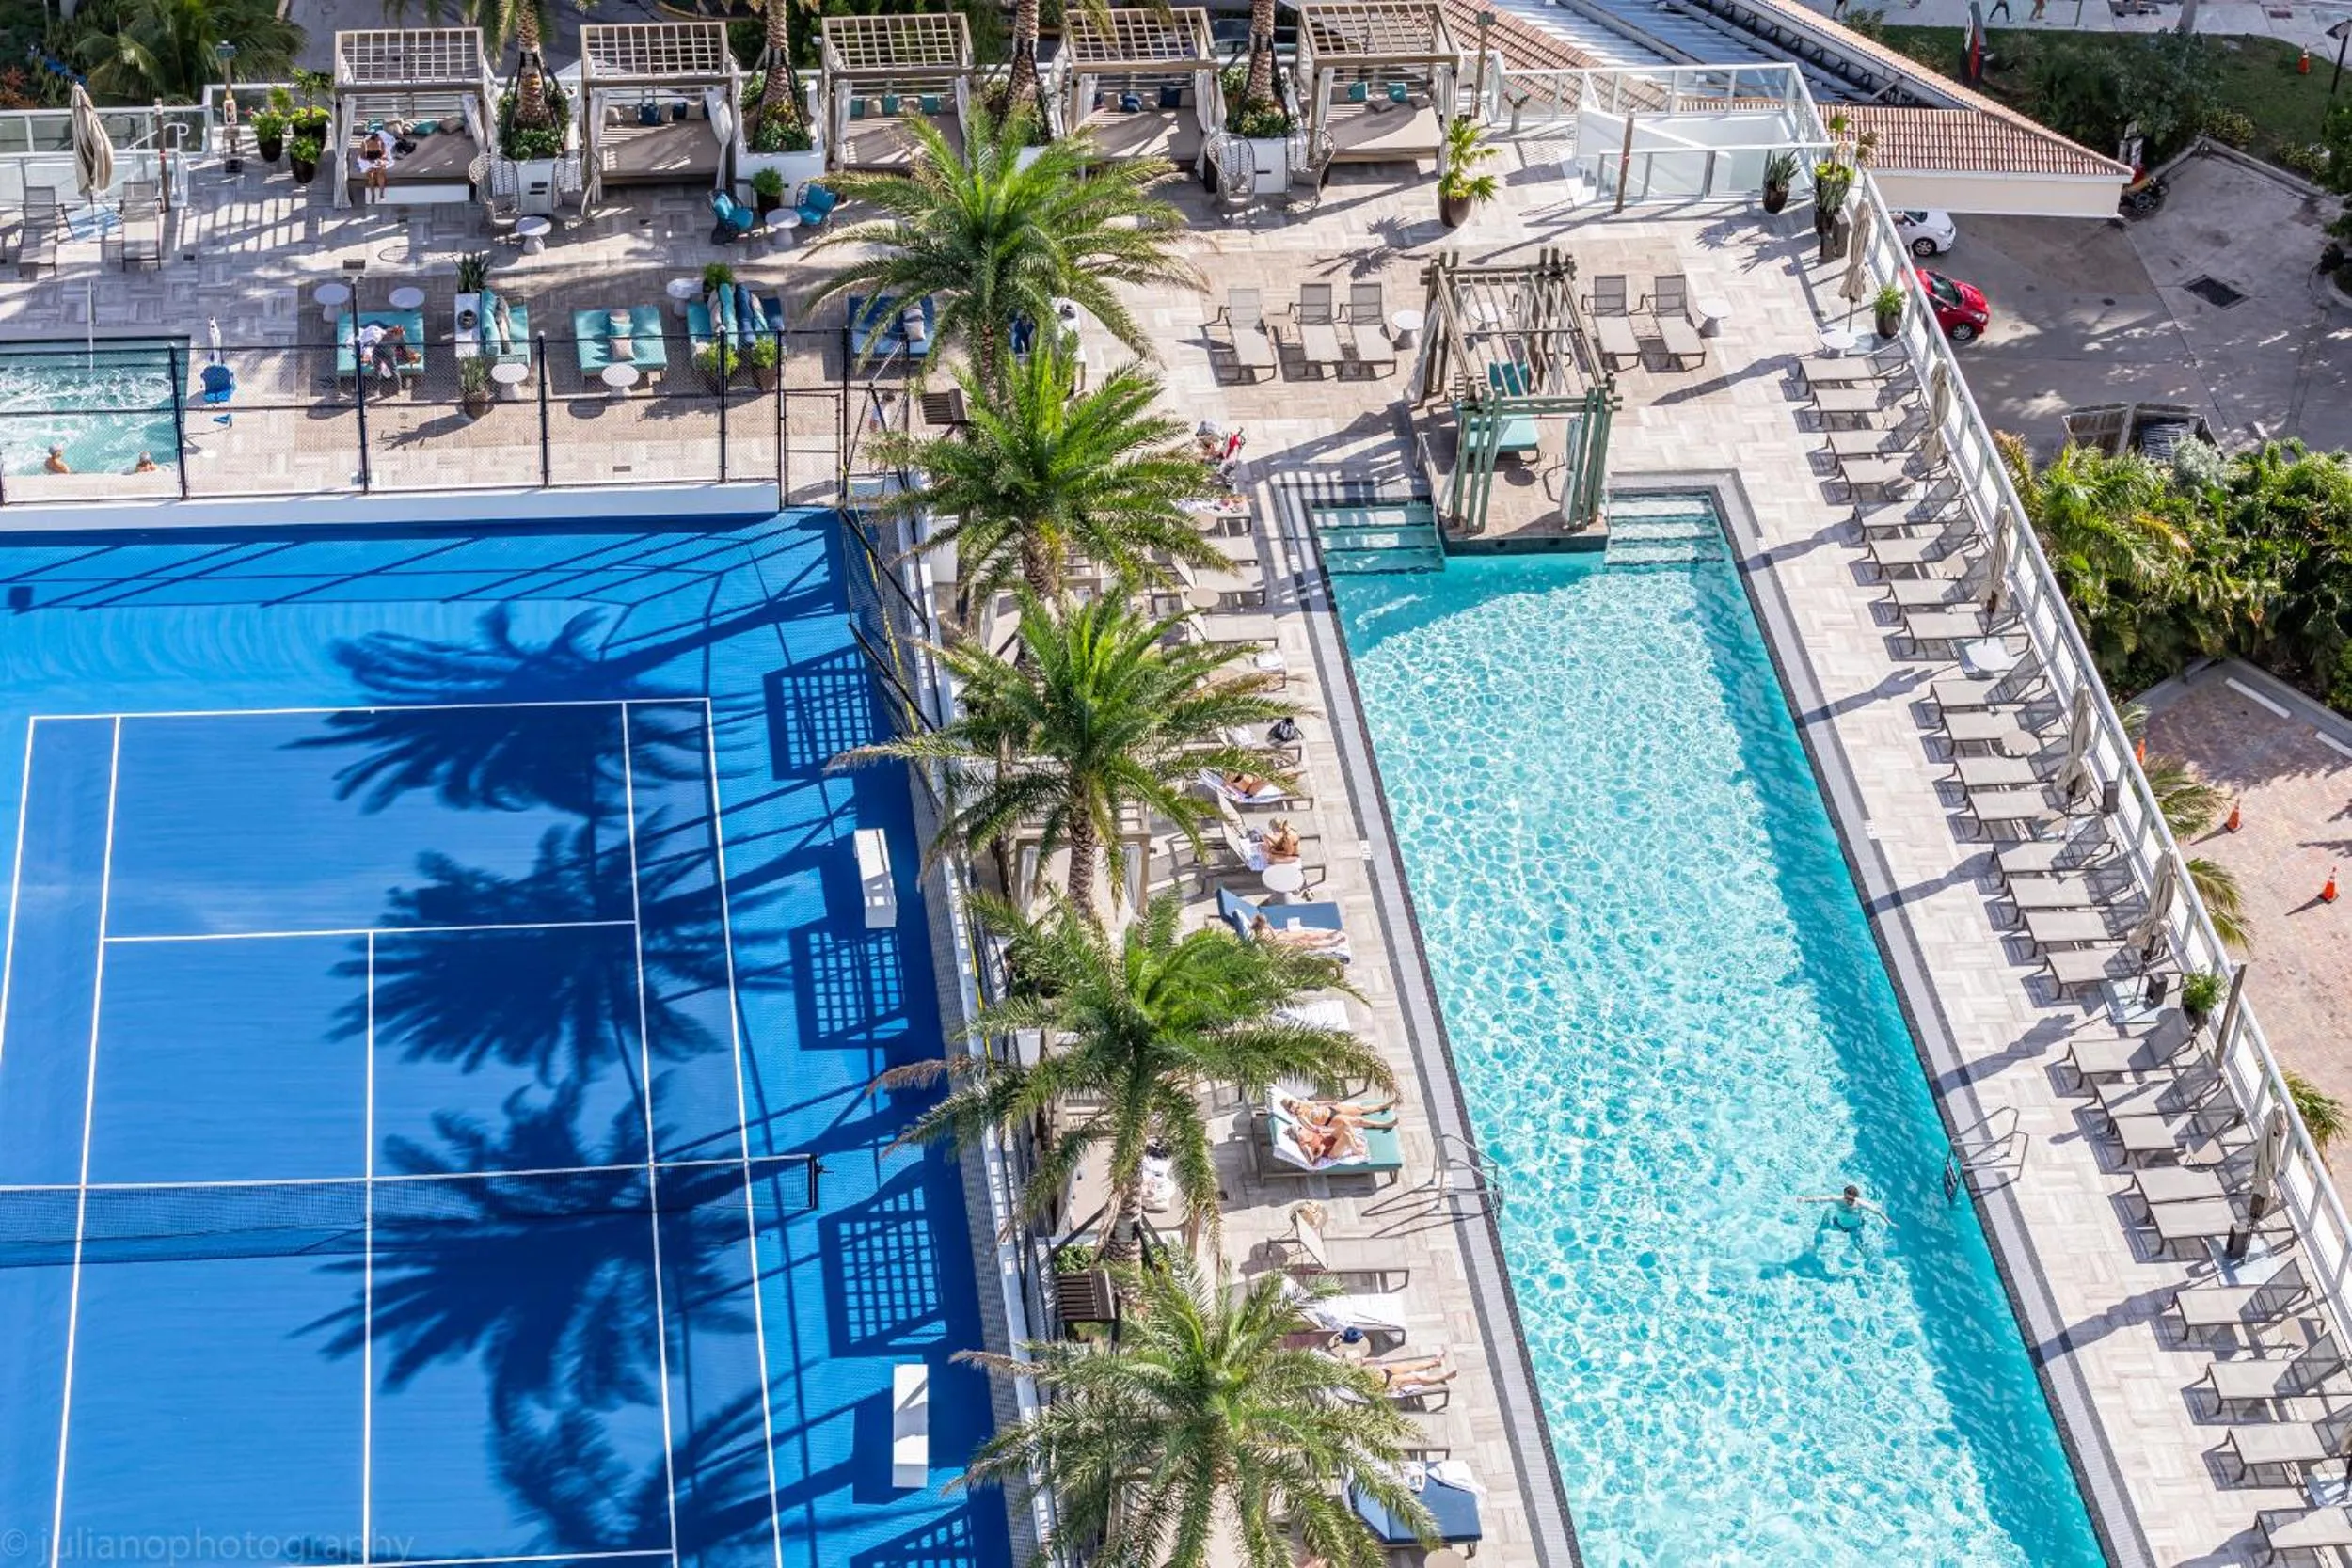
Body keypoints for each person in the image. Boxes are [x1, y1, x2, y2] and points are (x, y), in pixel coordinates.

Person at [1280, 1093, 1397, 1132]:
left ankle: (1383, 1106)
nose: (1293, 1105)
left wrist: (1330, 1102)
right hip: (1330, 1120)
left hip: (1332, 1109)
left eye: (1292, 1102)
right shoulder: (1301, 1117)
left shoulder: (1303, 1103)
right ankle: (1386, 1125)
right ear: (1289, 1110)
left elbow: (1317, 1103)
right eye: (1290, 1106)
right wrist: (1325, 1131)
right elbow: (1311, 1127)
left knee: (1360, 1110)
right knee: (1359, 1121)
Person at [1799, 1183, 1886, 1235]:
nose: (1849, 1201)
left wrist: (1889, 1223)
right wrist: (1804, 1199)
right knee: (1821, 1228)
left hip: (1854, 1226)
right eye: (1846, 1198)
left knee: (1859, 1245)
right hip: (1838, 1223)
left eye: (1851, 1199)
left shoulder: (1861, 1203)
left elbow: (1877, 1212)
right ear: (1844, 1195)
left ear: (1856, 1197)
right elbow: (1821, 1199)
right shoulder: (1838, 1200)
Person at [1248, 912, 1348, 956]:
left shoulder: (1266, 926)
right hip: (1280, 945)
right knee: (1305, 943)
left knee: (1306, 934)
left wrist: (1275, 930)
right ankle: (1331, 943)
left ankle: (1329, 935)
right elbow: (1272, 942)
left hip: (1282, 936)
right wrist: (1273, 932)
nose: (1267, 923)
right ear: (1260, 924)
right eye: (1265, 922)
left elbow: (1275, 931)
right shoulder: (1259, 936)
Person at [357, 132, 392, 202]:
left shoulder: (381, 142)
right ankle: (373, 194)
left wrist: (379, 160)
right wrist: (369, 161)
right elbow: (362, 155)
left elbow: (383, 154)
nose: (378, 140)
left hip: (378, 159)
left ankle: (381, 193)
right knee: (370, 175)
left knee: (380, 173)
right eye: (377, 139)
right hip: (367, 159)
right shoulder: (365, 143)